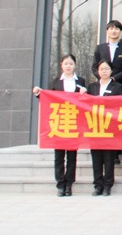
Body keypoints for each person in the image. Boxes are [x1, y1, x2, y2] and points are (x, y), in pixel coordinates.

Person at [32, 54, 86, 197]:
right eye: (66, 64)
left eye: (71, 64)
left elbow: (86, 101)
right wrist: (38, 93)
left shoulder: (81, 81)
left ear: (75, 65)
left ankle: (69, 184)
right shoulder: (56, 82)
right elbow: (48, 98)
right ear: (61, 65)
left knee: (72, 156)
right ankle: (60, 184)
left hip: (74, 122)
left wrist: (84, 93)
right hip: (59, 122)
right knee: (59, 156)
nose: (68, 66)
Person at [87, 60, 122, 196]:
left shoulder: (118, 87)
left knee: (109, 158)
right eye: (101, 69)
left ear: (111, 71)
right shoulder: (92, 87)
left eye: (107, 69)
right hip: (95, 127)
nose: (104, 71)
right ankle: (98, 185)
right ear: (98, 71)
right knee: (96, 158)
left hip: (110, 127)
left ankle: (108, 184)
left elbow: (120, 105)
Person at [92, 19, 122, 87]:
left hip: (120, 84)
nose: (114, 31)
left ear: (120, 31)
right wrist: (103, 77)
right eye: (111, 28)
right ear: (107, 31)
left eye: (116, 29)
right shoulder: (100, 48)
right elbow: (94, 67)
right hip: (102, 84)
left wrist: (114, 78)